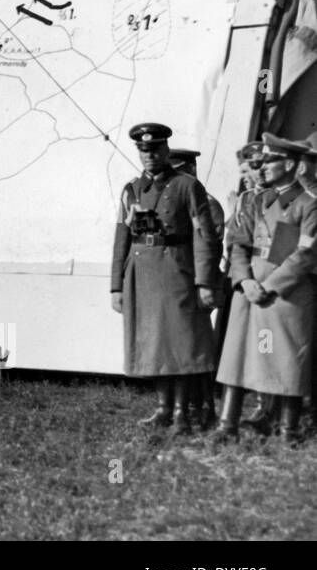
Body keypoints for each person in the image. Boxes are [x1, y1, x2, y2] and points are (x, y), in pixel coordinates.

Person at [110, 122, 218, 434]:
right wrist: (116, 286)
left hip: (177, 273)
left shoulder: (187, 186)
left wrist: (205, 281)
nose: (150, 155)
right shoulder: (132, 189)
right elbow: (121, 238)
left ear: (166, 150)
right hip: (143, 275)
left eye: (155, 149)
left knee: (180, 344)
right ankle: (163, 408)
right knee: (155, 344)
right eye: (144, 150)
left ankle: (183, 413)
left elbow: (204, 236)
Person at [214, 133, 317, 445]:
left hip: (285, 294)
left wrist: (269, 286)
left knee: (285, 358)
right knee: (238, 357)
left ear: (291, 164)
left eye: (270, 161)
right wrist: (244, 280)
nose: (262, 167)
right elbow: (238, 243)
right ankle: (226, 426)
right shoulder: (258, 201)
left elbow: (305, 253)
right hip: (250, 291)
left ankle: (288, 430)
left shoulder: (307, 205)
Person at [167, 146, 225, 429]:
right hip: (180, 283)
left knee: (199, 348)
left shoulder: (207, 203)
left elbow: (210, 248)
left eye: (179, 171)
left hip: (200, 284)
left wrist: (207, 287)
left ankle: (204, 407)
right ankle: (185, 406)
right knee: (183, 347)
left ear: (191, 170)